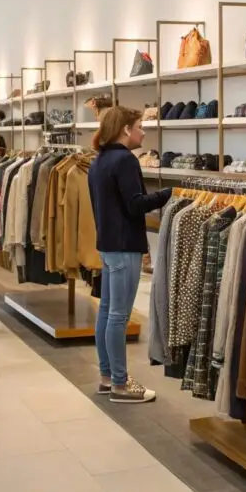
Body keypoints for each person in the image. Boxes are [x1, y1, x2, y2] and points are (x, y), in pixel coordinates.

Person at [87, 106, 171, 403]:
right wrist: (169, 195)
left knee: (108, 312)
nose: (143, 132)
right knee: (118, 316)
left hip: (108, 245)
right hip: (124, 246)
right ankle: (121, 385)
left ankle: (108, 377)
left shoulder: (99, 161)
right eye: (139, 126)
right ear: (125, 129)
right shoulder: (124, 160)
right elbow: (135, 205)